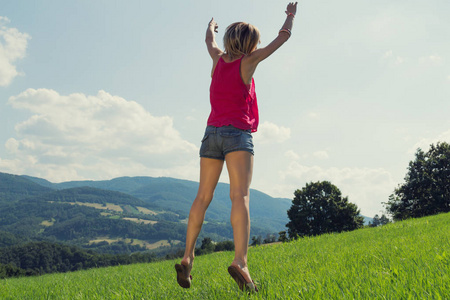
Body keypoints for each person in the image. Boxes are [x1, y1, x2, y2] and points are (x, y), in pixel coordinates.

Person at [175, 2, 298, 293]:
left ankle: (188, 257)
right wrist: (291, 15)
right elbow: (283, 38)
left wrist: (211, 26)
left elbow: (209, 40)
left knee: (202, 197)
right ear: (251, 43)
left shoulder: (218, 59)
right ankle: (241, 262)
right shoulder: (249, 61)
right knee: (239, 196)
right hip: (237, 134)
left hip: (211, 134)